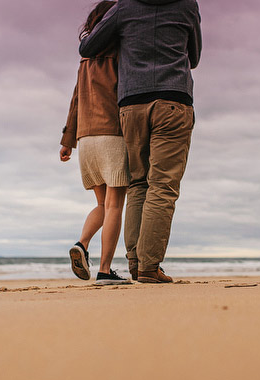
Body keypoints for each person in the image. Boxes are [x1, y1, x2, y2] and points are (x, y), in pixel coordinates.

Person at [79, 0, 201, 284]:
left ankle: (135, 263)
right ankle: (149, 266)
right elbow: (193, 57)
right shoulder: (187, 5)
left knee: (138, 183)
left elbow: (88, 48)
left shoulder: (124, 8)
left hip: (131, 104)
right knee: (163, 185)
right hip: (173, 98)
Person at [60, 1, 132, 286]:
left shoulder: (85, 59)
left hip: (86, 138)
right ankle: (105, 270)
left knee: (102, 204)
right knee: (115, 205)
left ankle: (82, 243)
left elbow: (76, 100)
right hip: (112, 133)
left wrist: (67, 141)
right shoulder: (119, 53)